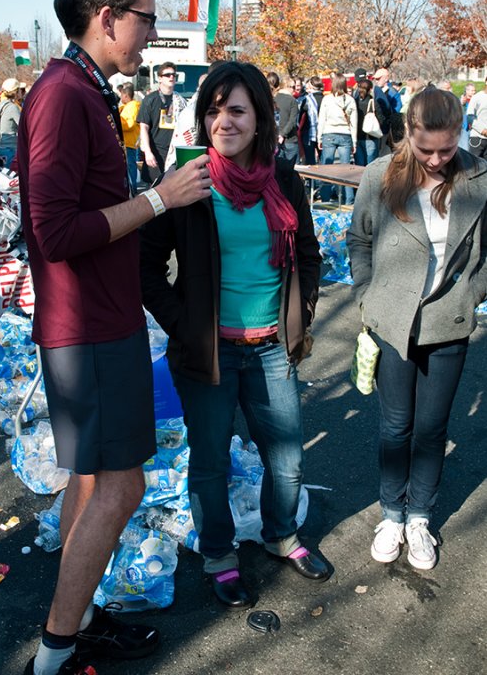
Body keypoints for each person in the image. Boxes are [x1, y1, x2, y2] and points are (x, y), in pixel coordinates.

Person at [17, 0, 212, 675]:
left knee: (94, 481)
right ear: (106, 17)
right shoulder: (64, 95)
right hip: (89, 328)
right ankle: (56, 652)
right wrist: (160, 199)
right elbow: (55, 231)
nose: (150, 33)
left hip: (98, 322)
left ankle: (77, 620)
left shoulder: (83, 88)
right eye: (145, 19)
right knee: (123, 484)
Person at [140, 61, 331, 610]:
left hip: (272, 347)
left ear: (260, 118)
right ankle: (219, 554)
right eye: (213, 109)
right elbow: (146, 266)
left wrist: (301, 315)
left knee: (287, 459)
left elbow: (309, 256)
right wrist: (184, 324)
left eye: (237, 110)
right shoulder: (188, 182)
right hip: (209, 351)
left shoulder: (284, 177)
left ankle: (282, 537)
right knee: (210, 461)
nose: (223, 120)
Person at [347, 88, 486, 571]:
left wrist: (471, 292)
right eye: (425, 148)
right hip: (391, 320)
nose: (435, 159)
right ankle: (391, 513)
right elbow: (359, 238)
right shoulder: (379, 174)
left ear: (459, 134)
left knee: (431, 428)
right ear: (408, 132)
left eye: (446, 149)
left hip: (448, 320)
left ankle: (419, 516)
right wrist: (365, 295)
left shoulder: (479, 177)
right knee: (395, 424)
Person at [138, 60, 186, 183]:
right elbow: (143, 127)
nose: (171, 77)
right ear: (159, 79)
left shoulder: (181, 101)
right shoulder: (150, 100)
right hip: (156, 153)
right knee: (155, 189)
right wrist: (148, 152)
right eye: (167, 75)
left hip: (174, 152)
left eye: (174, 75)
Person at [317, 74, 357, 203]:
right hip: (345, 134)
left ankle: (325, 197)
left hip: (329, 133)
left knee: (326, 167)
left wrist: (319, 137)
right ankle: (348, 199)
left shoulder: (327, 100)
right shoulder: (350, 100)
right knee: (346, 170)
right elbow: (354, 123)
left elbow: (321, 119)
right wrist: (354, 141)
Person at [266, 71, 299, 164]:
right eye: (293, 87)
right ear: (286, 87)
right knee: (294, 170)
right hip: (290, 139)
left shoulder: (273, 98)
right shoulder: (292, 101)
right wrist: (283, 134)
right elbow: (292, 121)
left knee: (277, 169)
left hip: (275, 138)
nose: (295, 90)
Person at [0, 77, 22, 167]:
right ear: (16, 91)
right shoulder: (13, 107)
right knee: (11, 176)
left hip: (0, 146)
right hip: (11, 146)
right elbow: (22, 126)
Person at [119, 82, 141, 192]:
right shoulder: (128, 107)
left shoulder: (132, 107)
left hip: (129, 142)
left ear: (126, 96)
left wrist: (118, 123)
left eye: (121, 96)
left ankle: (132, 188)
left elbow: (130, 124)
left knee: (130, 166)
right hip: (127, 141)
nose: (120, 98)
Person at [354, 78, 382, 166]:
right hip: (371, 137)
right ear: (370, 89)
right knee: (372, 164)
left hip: (358, 136)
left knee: (360, 165)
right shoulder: (373, 102)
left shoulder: (355, 102)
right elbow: (381, 118)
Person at [467, 75, 487, 160]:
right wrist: (482, 130)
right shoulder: (477, 97)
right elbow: (469, 116)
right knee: (474, 166)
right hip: (478, 138)